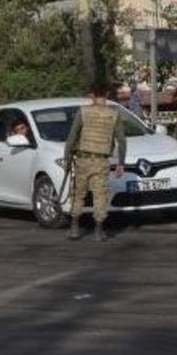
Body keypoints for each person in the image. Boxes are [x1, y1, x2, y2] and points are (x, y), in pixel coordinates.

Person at [63, 82, 127, 242]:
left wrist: (67, 159)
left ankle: (74, 228)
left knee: (78, 194)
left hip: (83, 160)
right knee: (100, 196)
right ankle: (98, 231)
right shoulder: (114, 114)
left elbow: (71, 138)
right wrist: (121, 164)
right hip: (101, 161)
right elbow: (122, 141)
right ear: (106, 95)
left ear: (93, 95)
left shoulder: (83, 112)